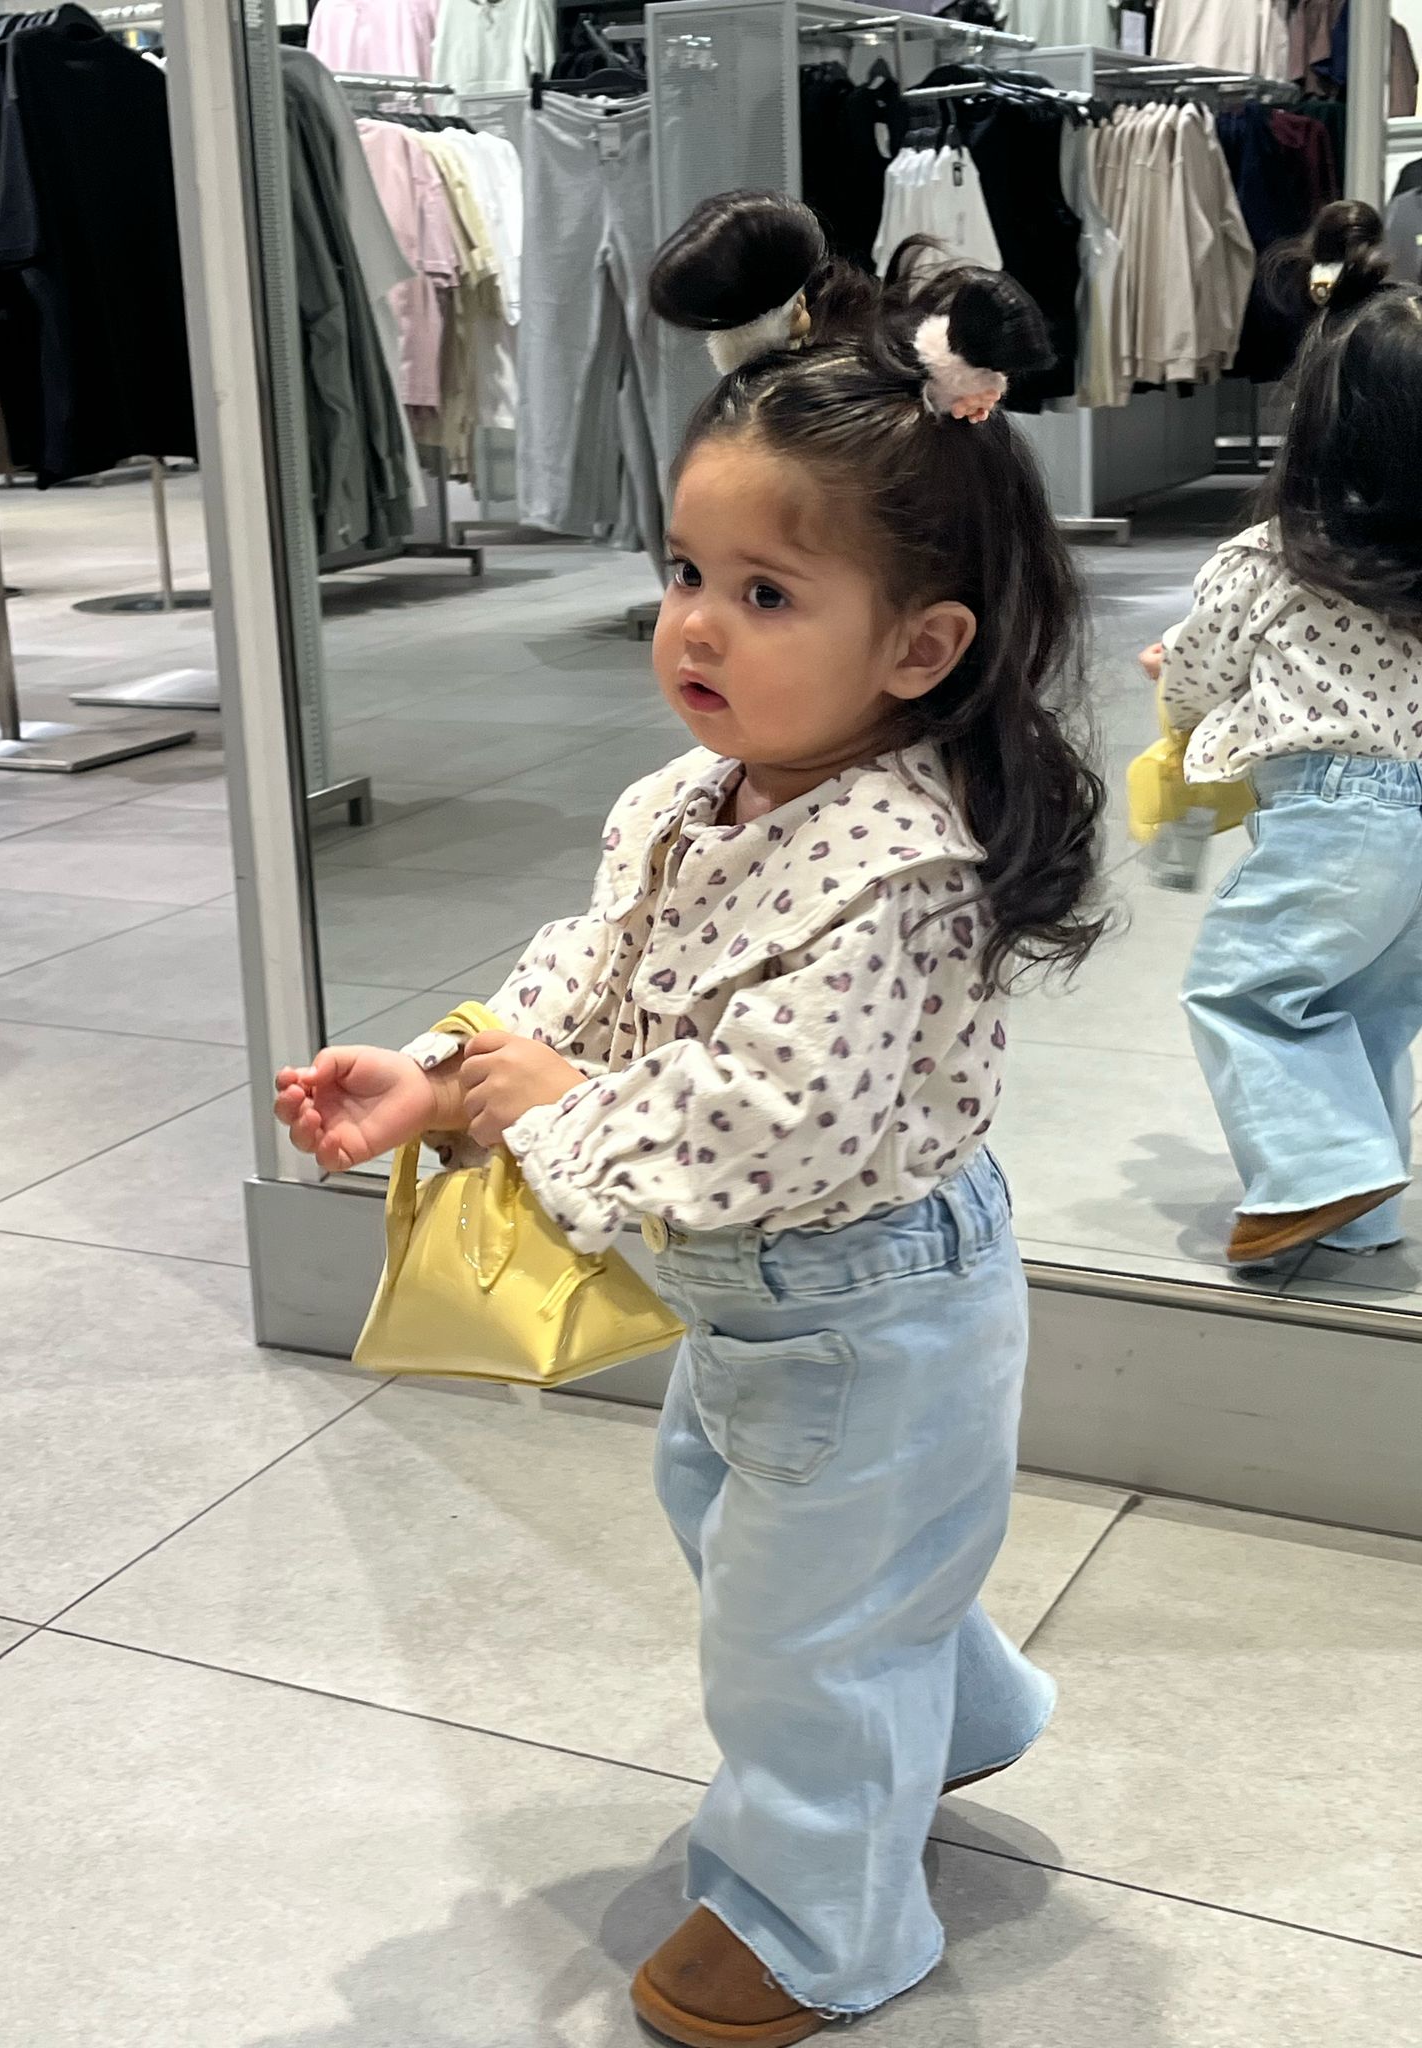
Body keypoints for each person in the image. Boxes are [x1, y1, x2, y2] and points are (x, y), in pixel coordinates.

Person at [274, 192, 1104, 2046]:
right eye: (682, 571)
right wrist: (449, 1076)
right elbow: (592, 974)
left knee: (798, 1623)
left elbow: (775, 1119)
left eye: (765, 594)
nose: (696, 626)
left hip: (874, 1309)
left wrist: (557, 1109)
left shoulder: (898, 863)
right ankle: (952, 1712)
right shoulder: (693, 798)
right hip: (767, 1315)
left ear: (919, 647)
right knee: (751, 1525)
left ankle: (822, 1920)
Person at [1142, 200, 1422, 1269]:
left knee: (1244, 990)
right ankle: (1361, 1212)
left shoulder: (1270, 557)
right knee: (1368, 1014)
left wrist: (1176, 689)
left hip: (1333, 821)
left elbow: (1200, 677)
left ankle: (1317, 1175)